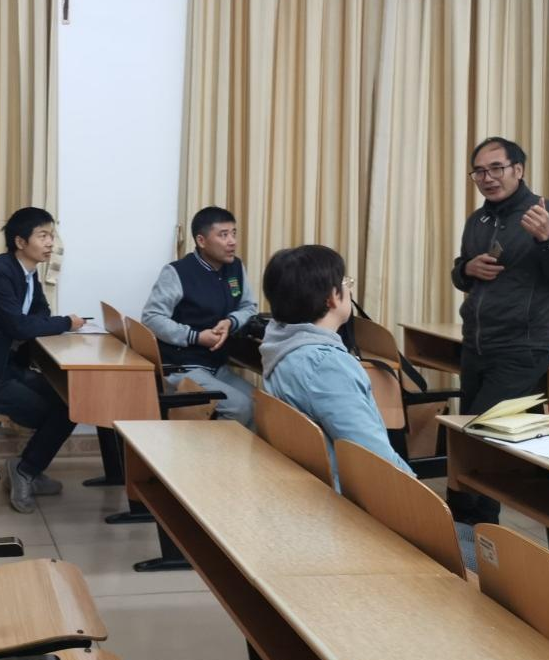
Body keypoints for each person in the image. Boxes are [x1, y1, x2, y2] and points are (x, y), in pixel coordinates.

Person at [449, 137, 549, 525]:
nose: (487, 178)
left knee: (480, 436)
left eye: (496, 168)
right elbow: (462, 273)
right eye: (479, 171)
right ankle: (467, 528)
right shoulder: (478, 220)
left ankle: (473, 528)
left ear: (518, 170)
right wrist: (466, 269)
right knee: (472, 436)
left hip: (523, 347)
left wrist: (546, 240)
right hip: (476, 344)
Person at [0, 207, 85, 514]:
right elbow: (19, 326)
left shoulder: (28, 273)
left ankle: (28, 468)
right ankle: (26, 471)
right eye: (42, 235)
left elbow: (40, 313)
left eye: (51, 235)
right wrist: (66, 323)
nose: (50, 242)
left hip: (10, 366)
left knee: (73, 401)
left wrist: (42, 322)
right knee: (63, 412)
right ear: (20, 241)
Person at [260, 245, 413, 481]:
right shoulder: (325, 366)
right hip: (346, 493)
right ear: (331, 298)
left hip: (310, 481)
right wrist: (421, 490)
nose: (348, 288)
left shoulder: (280, 344)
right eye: (344, 282)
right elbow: (374, 458)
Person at [142, 206, 258, 426]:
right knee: (240, 407)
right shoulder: (177, 272)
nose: (232, 241)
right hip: (182, 366)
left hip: (217, 366)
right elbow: (152, 318)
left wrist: (230, 322)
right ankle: (212, 450)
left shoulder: (235, 268)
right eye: (223, 235)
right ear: (201, 241)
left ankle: (237, 450)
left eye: (234, 233)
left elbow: (248, 307)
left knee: (262, 406)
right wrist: (196, 337)